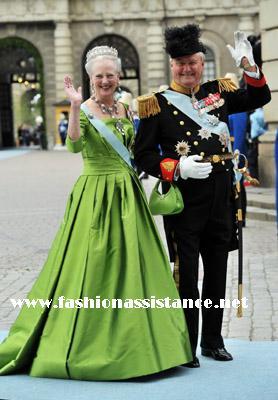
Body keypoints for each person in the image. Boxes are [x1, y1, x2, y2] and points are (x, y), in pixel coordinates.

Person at [0, 46, 192, 380]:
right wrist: (74, 106)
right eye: (99, 75)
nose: (105, 80)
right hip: (95, 195)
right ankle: (90, 341)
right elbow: (74, 145)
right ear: (90, 78)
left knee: (137, 264)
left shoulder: (124, 106)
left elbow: (136, 148)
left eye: (110, 74)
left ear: (118, 77)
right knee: (94, 264)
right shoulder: (84, 108)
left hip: (128, 192)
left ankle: (149, 343)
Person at [134, 25, 271, 367]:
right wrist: (176, 167)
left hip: (222, 197)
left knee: (216, 271)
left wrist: (249, 67)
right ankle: (185, 345)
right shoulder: (157, 105)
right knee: (186, 275)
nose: (187, 69)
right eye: (180, 64)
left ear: (201, 61)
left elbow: (260, 98)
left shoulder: (218, 92)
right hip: (185, 201)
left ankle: (212, 341)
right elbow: (144, 155)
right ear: (172, 66)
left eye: (193, 62)